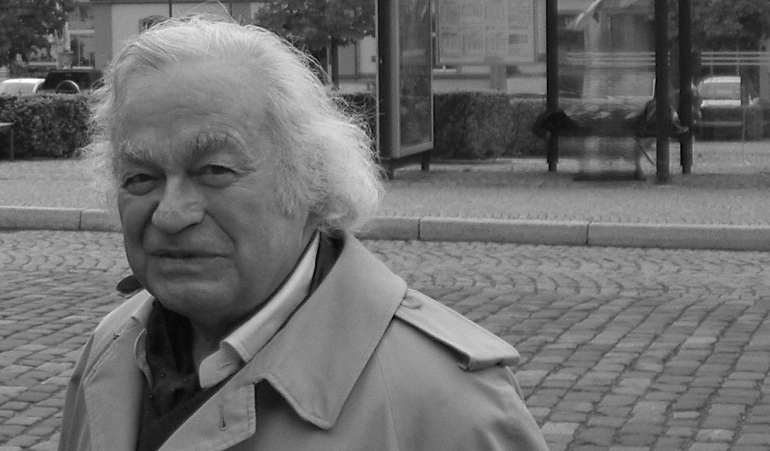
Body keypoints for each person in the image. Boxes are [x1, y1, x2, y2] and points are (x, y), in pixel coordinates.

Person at [58, 15, 550, 451]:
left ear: (311, 182)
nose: (170, 215)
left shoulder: (450, 405)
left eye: (214, 170)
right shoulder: (111, 353)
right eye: (140, 177)